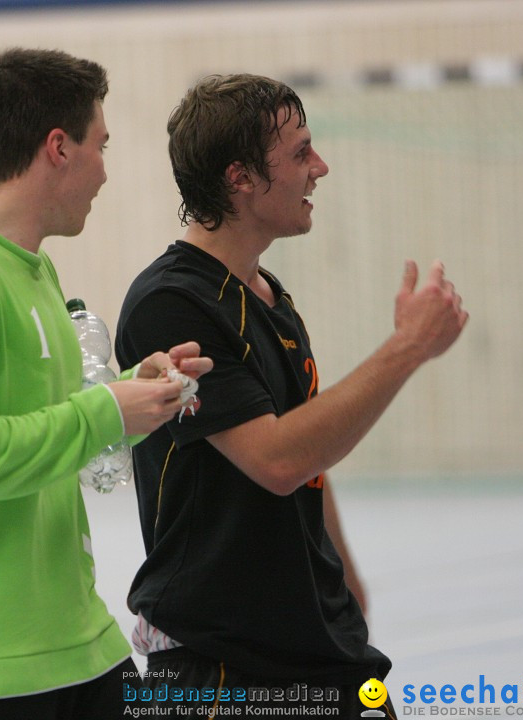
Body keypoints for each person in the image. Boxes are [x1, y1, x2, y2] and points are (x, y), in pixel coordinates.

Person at [115, 73, 468, 717]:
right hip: (222, 671)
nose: (320, 167)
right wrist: (408, 347)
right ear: (241, 178)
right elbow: (276, 459)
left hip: (319, 649)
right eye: (301, 153)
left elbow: (306, 451)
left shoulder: (270, 296)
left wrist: (341, 576)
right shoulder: (170, 304)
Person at [0, 48, 211, 720]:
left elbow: (54, 423)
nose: (105, 172)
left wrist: (133, 390)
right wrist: (104, 411)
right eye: (101, 145)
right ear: (58, 148)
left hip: (77, 642)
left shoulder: (35, 271)